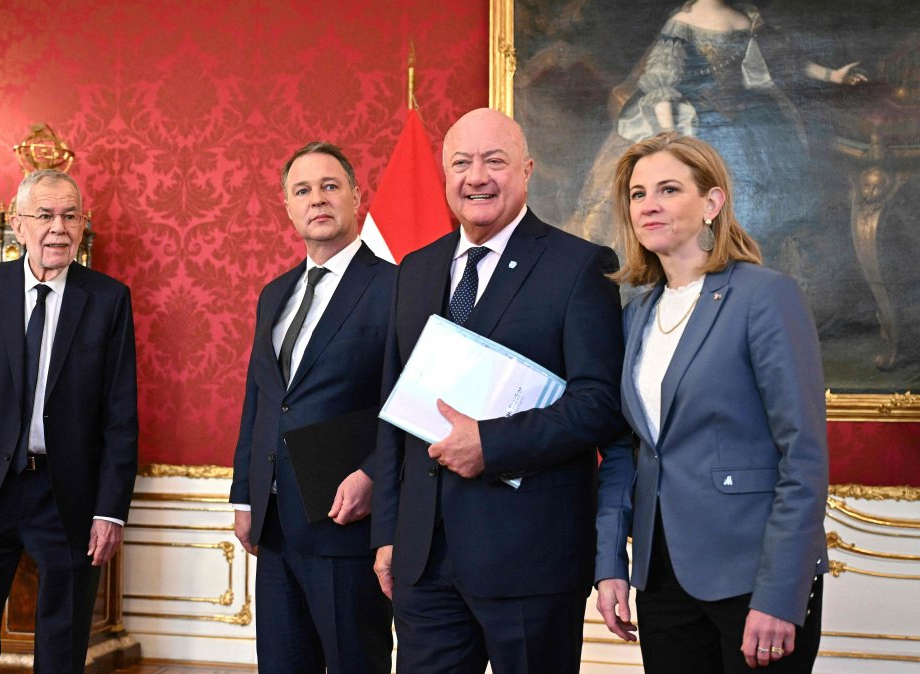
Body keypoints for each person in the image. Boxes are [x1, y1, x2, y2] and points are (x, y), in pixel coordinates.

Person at [370, 108, 625, 673]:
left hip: (530, 559)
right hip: (424, 563)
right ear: (445, 174)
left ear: (527, 170)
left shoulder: (579, 266)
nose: (476, 177)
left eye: (494, 161)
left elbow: (600, 405)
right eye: (461, 163)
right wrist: (388, 533)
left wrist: (491, 444)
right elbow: (394, 412)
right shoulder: (415, 269)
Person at [594, 131, 828, 672]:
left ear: (712, 203)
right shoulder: (634, 315)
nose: (648, 205)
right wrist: (609, 564)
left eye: (669, 189)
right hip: (661, 578)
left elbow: (803, 456)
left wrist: (780, 594)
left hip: (753, 578)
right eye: (637, 194)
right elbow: (626, 451)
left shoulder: (764, 296)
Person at [0, 169, 139, 673]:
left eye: (70, 216)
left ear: (83, 225)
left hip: (67, 496)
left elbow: (120, 417)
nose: (58, 228)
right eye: (44, 216)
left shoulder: (108, 299)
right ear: (18, 224)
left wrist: (111, 511)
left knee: (62, 649)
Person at [230, 142, 395, 673]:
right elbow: (261, 399)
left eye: (329, 186)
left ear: (355, 195)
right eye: (302, 190)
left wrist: (374, 474)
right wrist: (244, 494)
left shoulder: (395, 286)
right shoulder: (274, 293)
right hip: (276, 527)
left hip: (346, 521)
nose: (317, 199)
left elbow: (411, 399)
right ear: (287, 206)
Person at [566, 0, 867, 248]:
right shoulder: (683, 21)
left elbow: (786, 62)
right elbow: (663, 82)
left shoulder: (748, 18)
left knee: (763, 209)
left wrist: (833, 75)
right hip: (697, 119)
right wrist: (670, 136)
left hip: (749, 120)